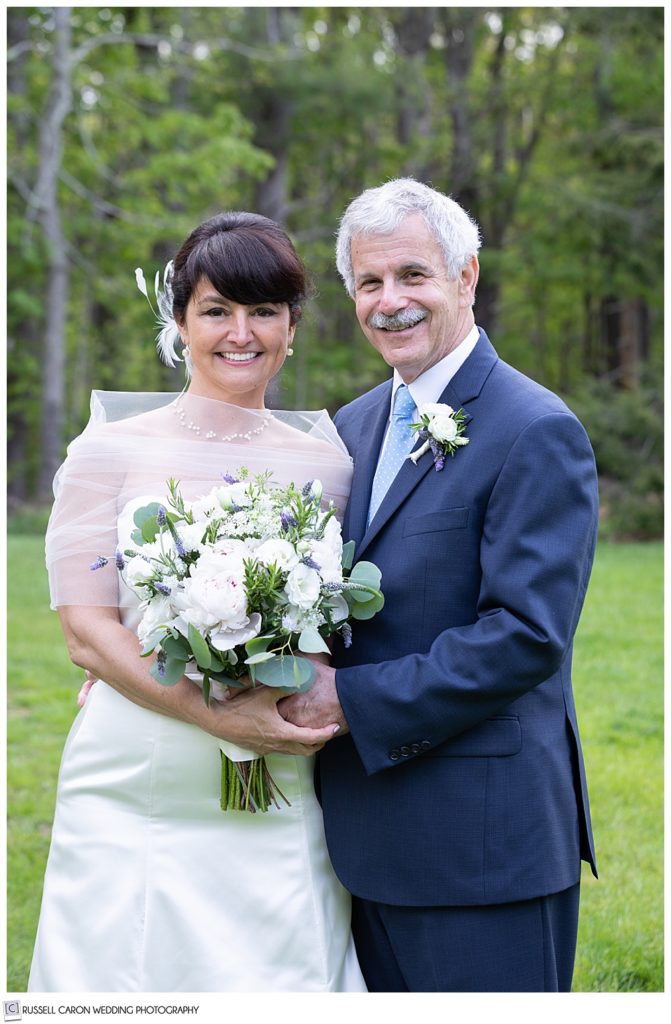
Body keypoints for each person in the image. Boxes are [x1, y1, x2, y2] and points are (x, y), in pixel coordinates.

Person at [28, 212, 366, 992]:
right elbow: (85, 632)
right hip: (136, 766)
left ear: (291, 327)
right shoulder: (108, 451)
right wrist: (213, 714)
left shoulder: (329, 465)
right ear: (180, 323)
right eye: (216, 310)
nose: (239, 333)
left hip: (275, 768)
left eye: (264, 311)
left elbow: (334, 620)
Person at [279, 178, 599, 992]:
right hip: (354, 839)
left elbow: (524, 635)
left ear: (465, 277)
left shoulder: (534, 427)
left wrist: (346, 701)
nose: (391, 301)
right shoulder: (346, 428)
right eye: (370, 282)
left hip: (479, 844)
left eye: (412, 275)